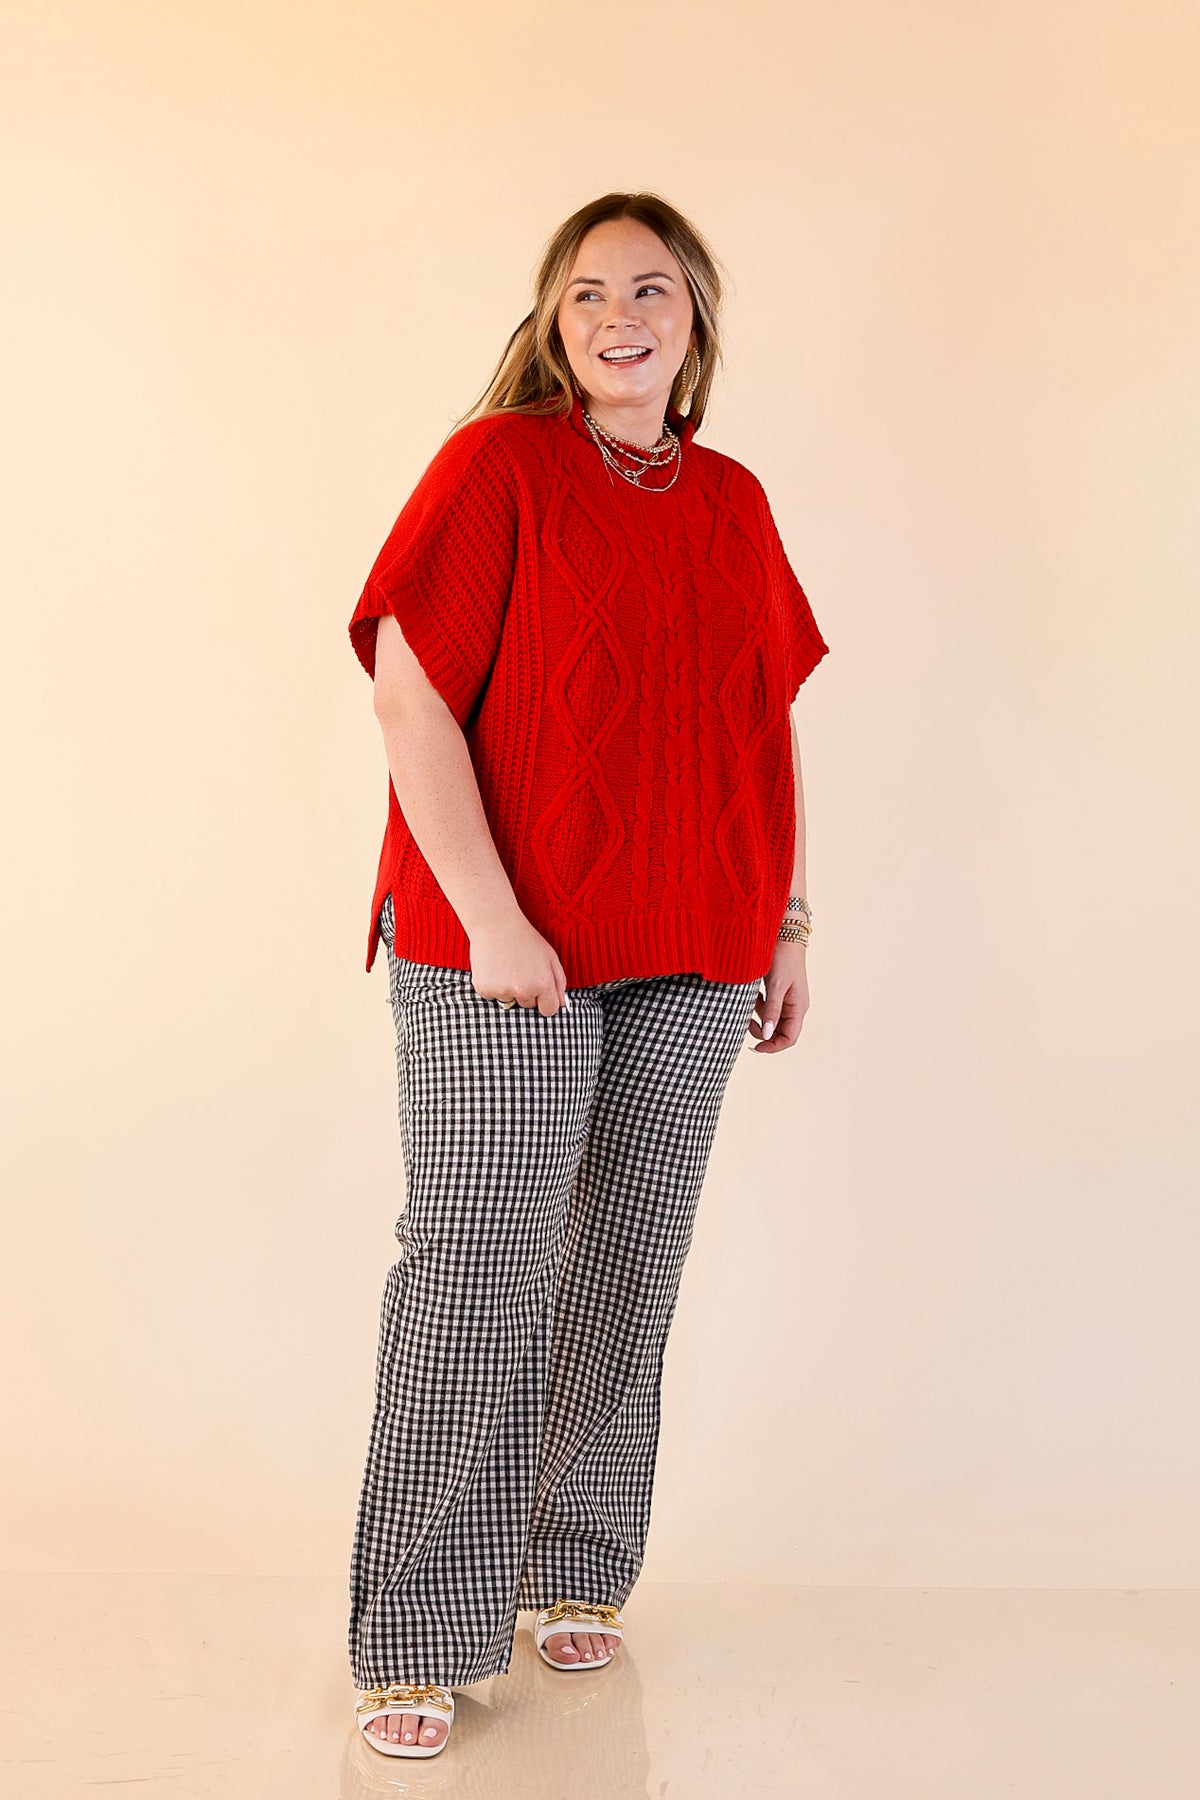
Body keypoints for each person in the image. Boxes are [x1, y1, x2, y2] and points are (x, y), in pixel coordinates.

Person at [345, 190, 829, 1760]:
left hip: (699, 934)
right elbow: (412, 699)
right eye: (590, 292)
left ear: (696, 321)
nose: (622, 315)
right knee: (481, 1266)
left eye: (653, 290)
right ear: (554, 324)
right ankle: (419, 1632)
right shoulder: (498, 466)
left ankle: (573, 1560)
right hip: (505, 941)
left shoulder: (736, 500)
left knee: (627, 1258)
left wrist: (790, 920)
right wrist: (493, 916)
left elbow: (763, 722)